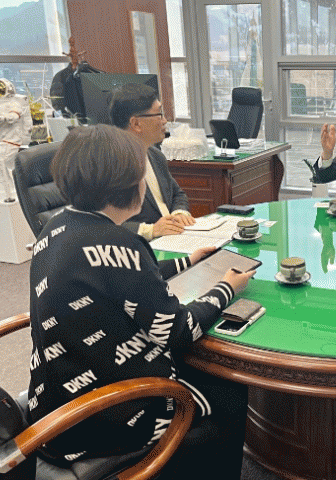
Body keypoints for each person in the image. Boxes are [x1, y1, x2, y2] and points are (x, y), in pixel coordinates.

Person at [27, 124, 255, 478]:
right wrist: (227, 287)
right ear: (131, 186)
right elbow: (179, 331)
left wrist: (187, 261)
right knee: (230, 391)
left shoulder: (55, 228)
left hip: (54, 409)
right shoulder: (122, 245)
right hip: (105, 416)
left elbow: (115, 276)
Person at [109, 82, 195, 240]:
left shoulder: (156, 156)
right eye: (159, 114)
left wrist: (179, 213)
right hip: (139, 246)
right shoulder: (109, 164)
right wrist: (150, 230)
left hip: (173, 238)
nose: (165, 121)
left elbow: (177, 194)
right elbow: (100, 223)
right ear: (136, 124)